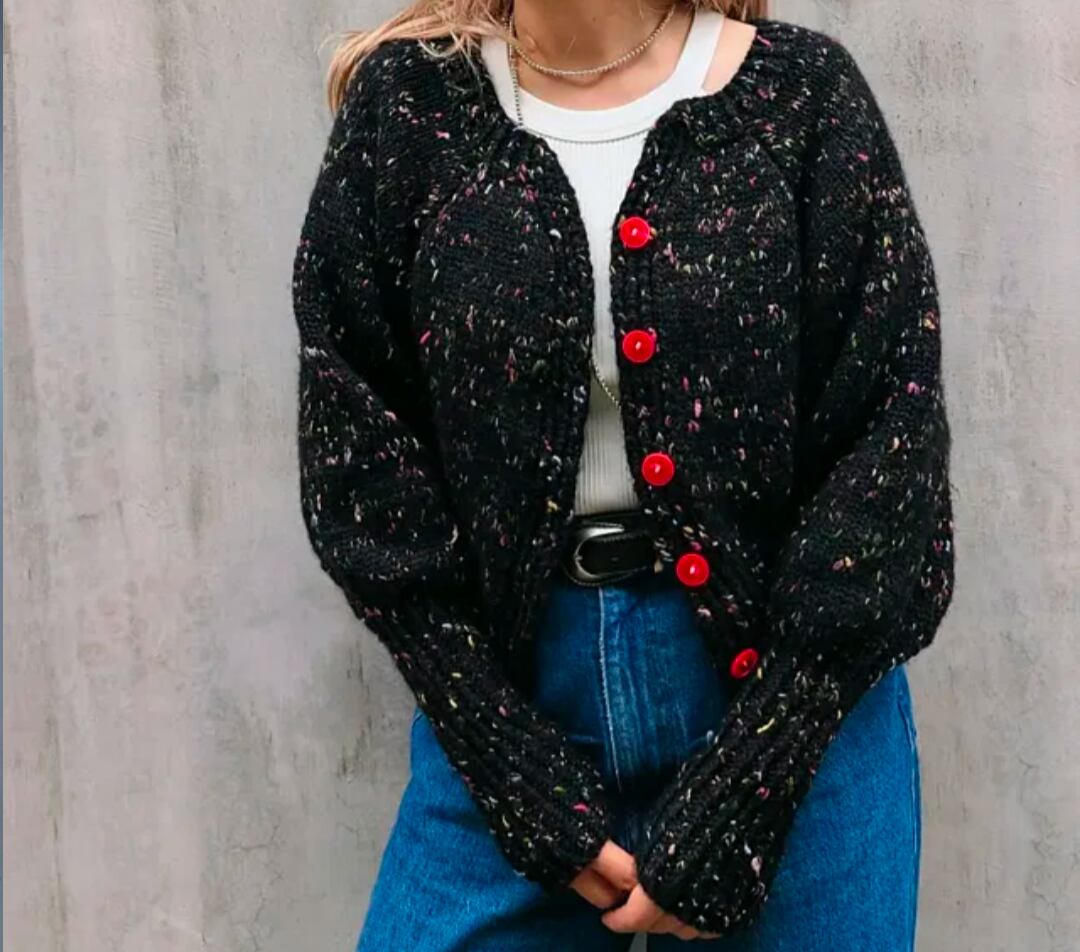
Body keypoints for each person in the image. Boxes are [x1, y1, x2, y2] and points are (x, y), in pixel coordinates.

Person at [290, 1, 956, 948]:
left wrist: (761, 768)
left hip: (791, 716)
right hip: (509, 708)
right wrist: (506, 762)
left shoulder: (804, 99)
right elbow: (361, 453)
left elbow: (889, 444)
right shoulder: (411, 109)